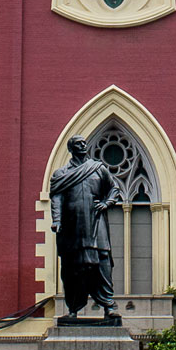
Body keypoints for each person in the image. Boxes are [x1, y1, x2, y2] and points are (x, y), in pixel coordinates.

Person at [48, 136, 120, 320]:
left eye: (84, 143)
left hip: (97, 223)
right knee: (72, 268)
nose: (83, 145)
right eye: (78, 143)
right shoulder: (61, 174)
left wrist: (107, 202)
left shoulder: (98, 169)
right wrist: (57, 220)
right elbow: (56, 198)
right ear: (71, 148)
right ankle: (73, 308)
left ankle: (108, 305)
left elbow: (114, 189)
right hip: (73, 227)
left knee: (103, 261)